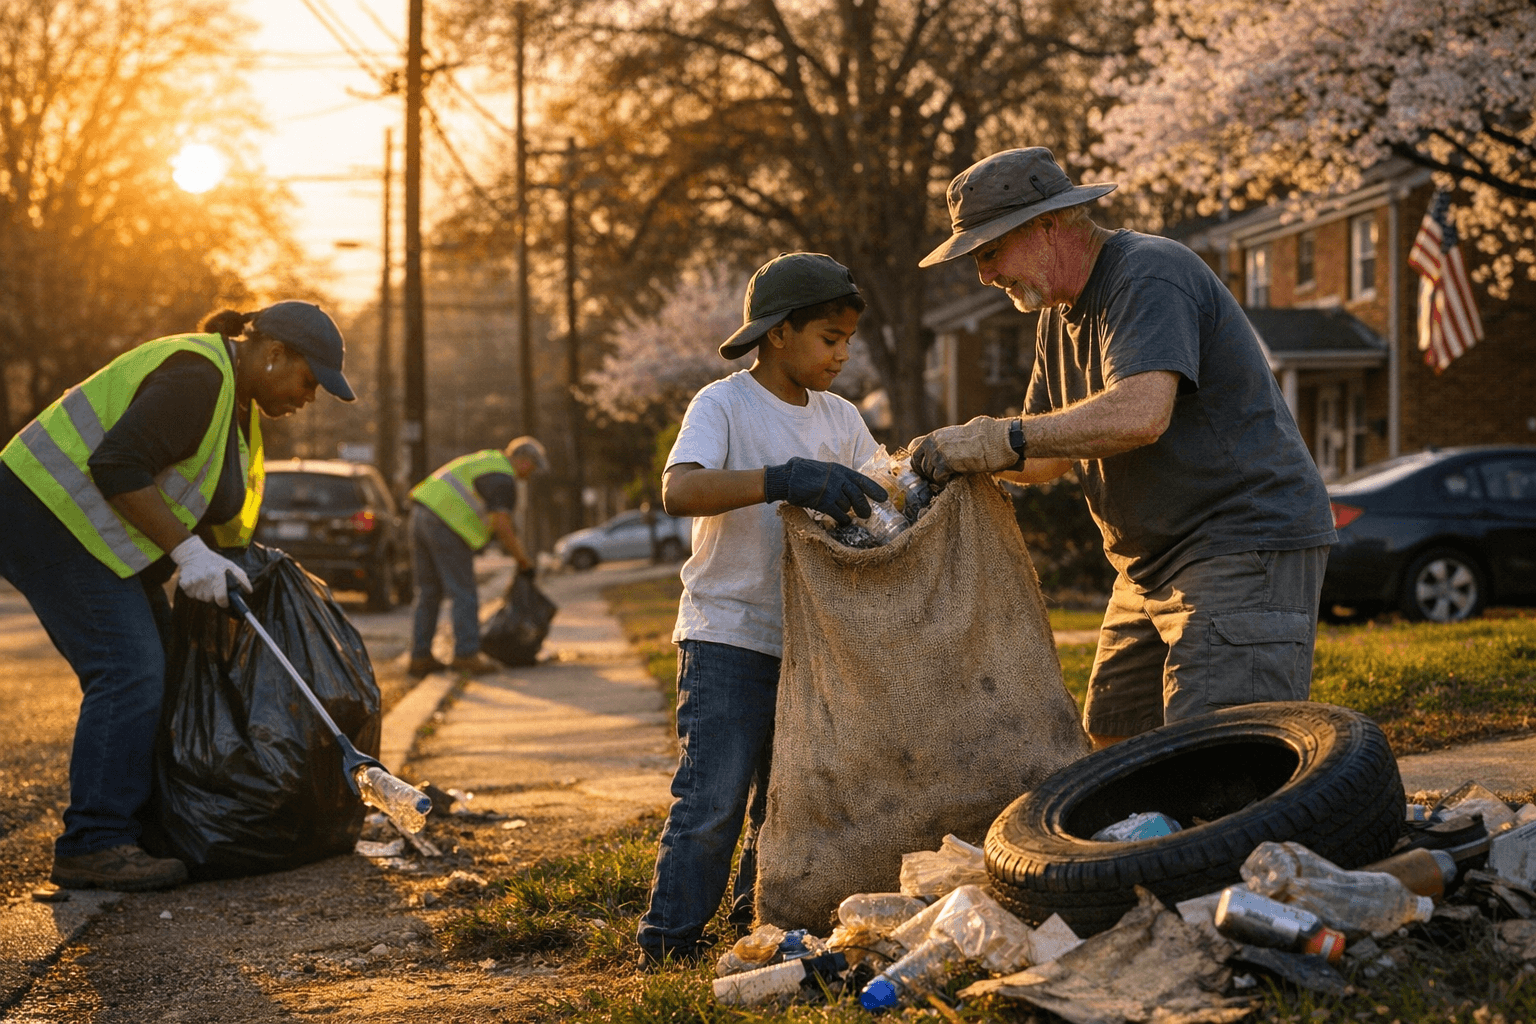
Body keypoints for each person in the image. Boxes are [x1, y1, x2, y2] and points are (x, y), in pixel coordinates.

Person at [911, 147, 1337, 749]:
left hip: (1240, 544)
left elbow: (1141, 414)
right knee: (1111, 746)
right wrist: (965, 459)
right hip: (1144, 569)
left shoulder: (1148, 275)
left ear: (1047, 225)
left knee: (1216, 759)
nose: (984, 274)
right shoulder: (1055, 317)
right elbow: (1048, 454)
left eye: (989, 253)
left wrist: (1000, 437)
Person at [0, 301, 355, 891]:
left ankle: (139, 827)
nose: (309, 396)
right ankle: (94, 841)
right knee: (129, 669)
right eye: (309, 379)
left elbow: (216, 514)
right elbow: (117, 465)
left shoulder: (239, 412)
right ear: (273, 354)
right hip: (45, 515)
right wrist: (189, 556)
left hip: (102, 538)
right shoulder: (199, 377)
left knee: (162, 662)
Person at [635, 252, 888, 966]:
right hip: (728, 637)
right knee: (712, 802)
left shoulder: (841, 418)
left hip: (810, 644)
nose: (842, 355)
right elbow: (680, 491)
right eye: (828, 339)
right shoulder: (724, 405)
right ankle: (668, 943)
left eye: (847, 341)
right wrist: (781, 480)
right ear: (778, 333)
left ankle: (756, 931)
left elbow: (884, 493)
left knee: (784, 806)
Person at [405, 437, 548, 678]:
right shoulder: (503, 478)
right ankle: (466, 654)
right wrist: (523, 561)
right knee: (464, 591)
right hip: (446, 524)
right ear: (525, 461)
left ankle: (420, 656)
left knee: (428, 592)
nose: (531, 474)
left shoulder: (486, 460)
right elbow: (502, 525)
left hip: (421, 515)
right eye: (533, 467)